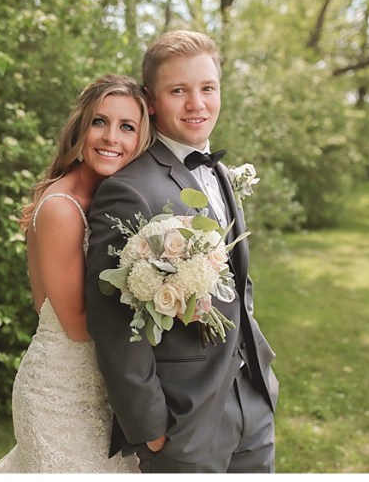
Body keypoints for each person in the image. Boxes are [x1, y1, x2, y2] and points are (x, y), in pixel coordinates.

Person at [85, 30, 279, 473]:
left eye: (207, 88)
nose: (197, 104)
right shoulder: (128, 191)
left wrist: (262, 379)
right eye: (179, 91)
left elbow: (237, 283)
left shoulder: (222, 174)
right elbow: (113, 326)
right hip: (184, 422)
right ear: (151, 101)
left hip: (253, 400)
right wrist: (151, 427)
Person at [0, 74, 153, 473]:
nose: (112, 137)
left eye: (127, 127)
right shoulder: (63, 206)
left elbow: (42, 301)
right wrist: (160, 297)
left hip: (105, 392)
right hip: (59, 397)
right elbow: (75, 324)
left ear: (141, 139)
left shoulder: (114, 201)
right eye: (100, 122)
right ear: (81, 127)